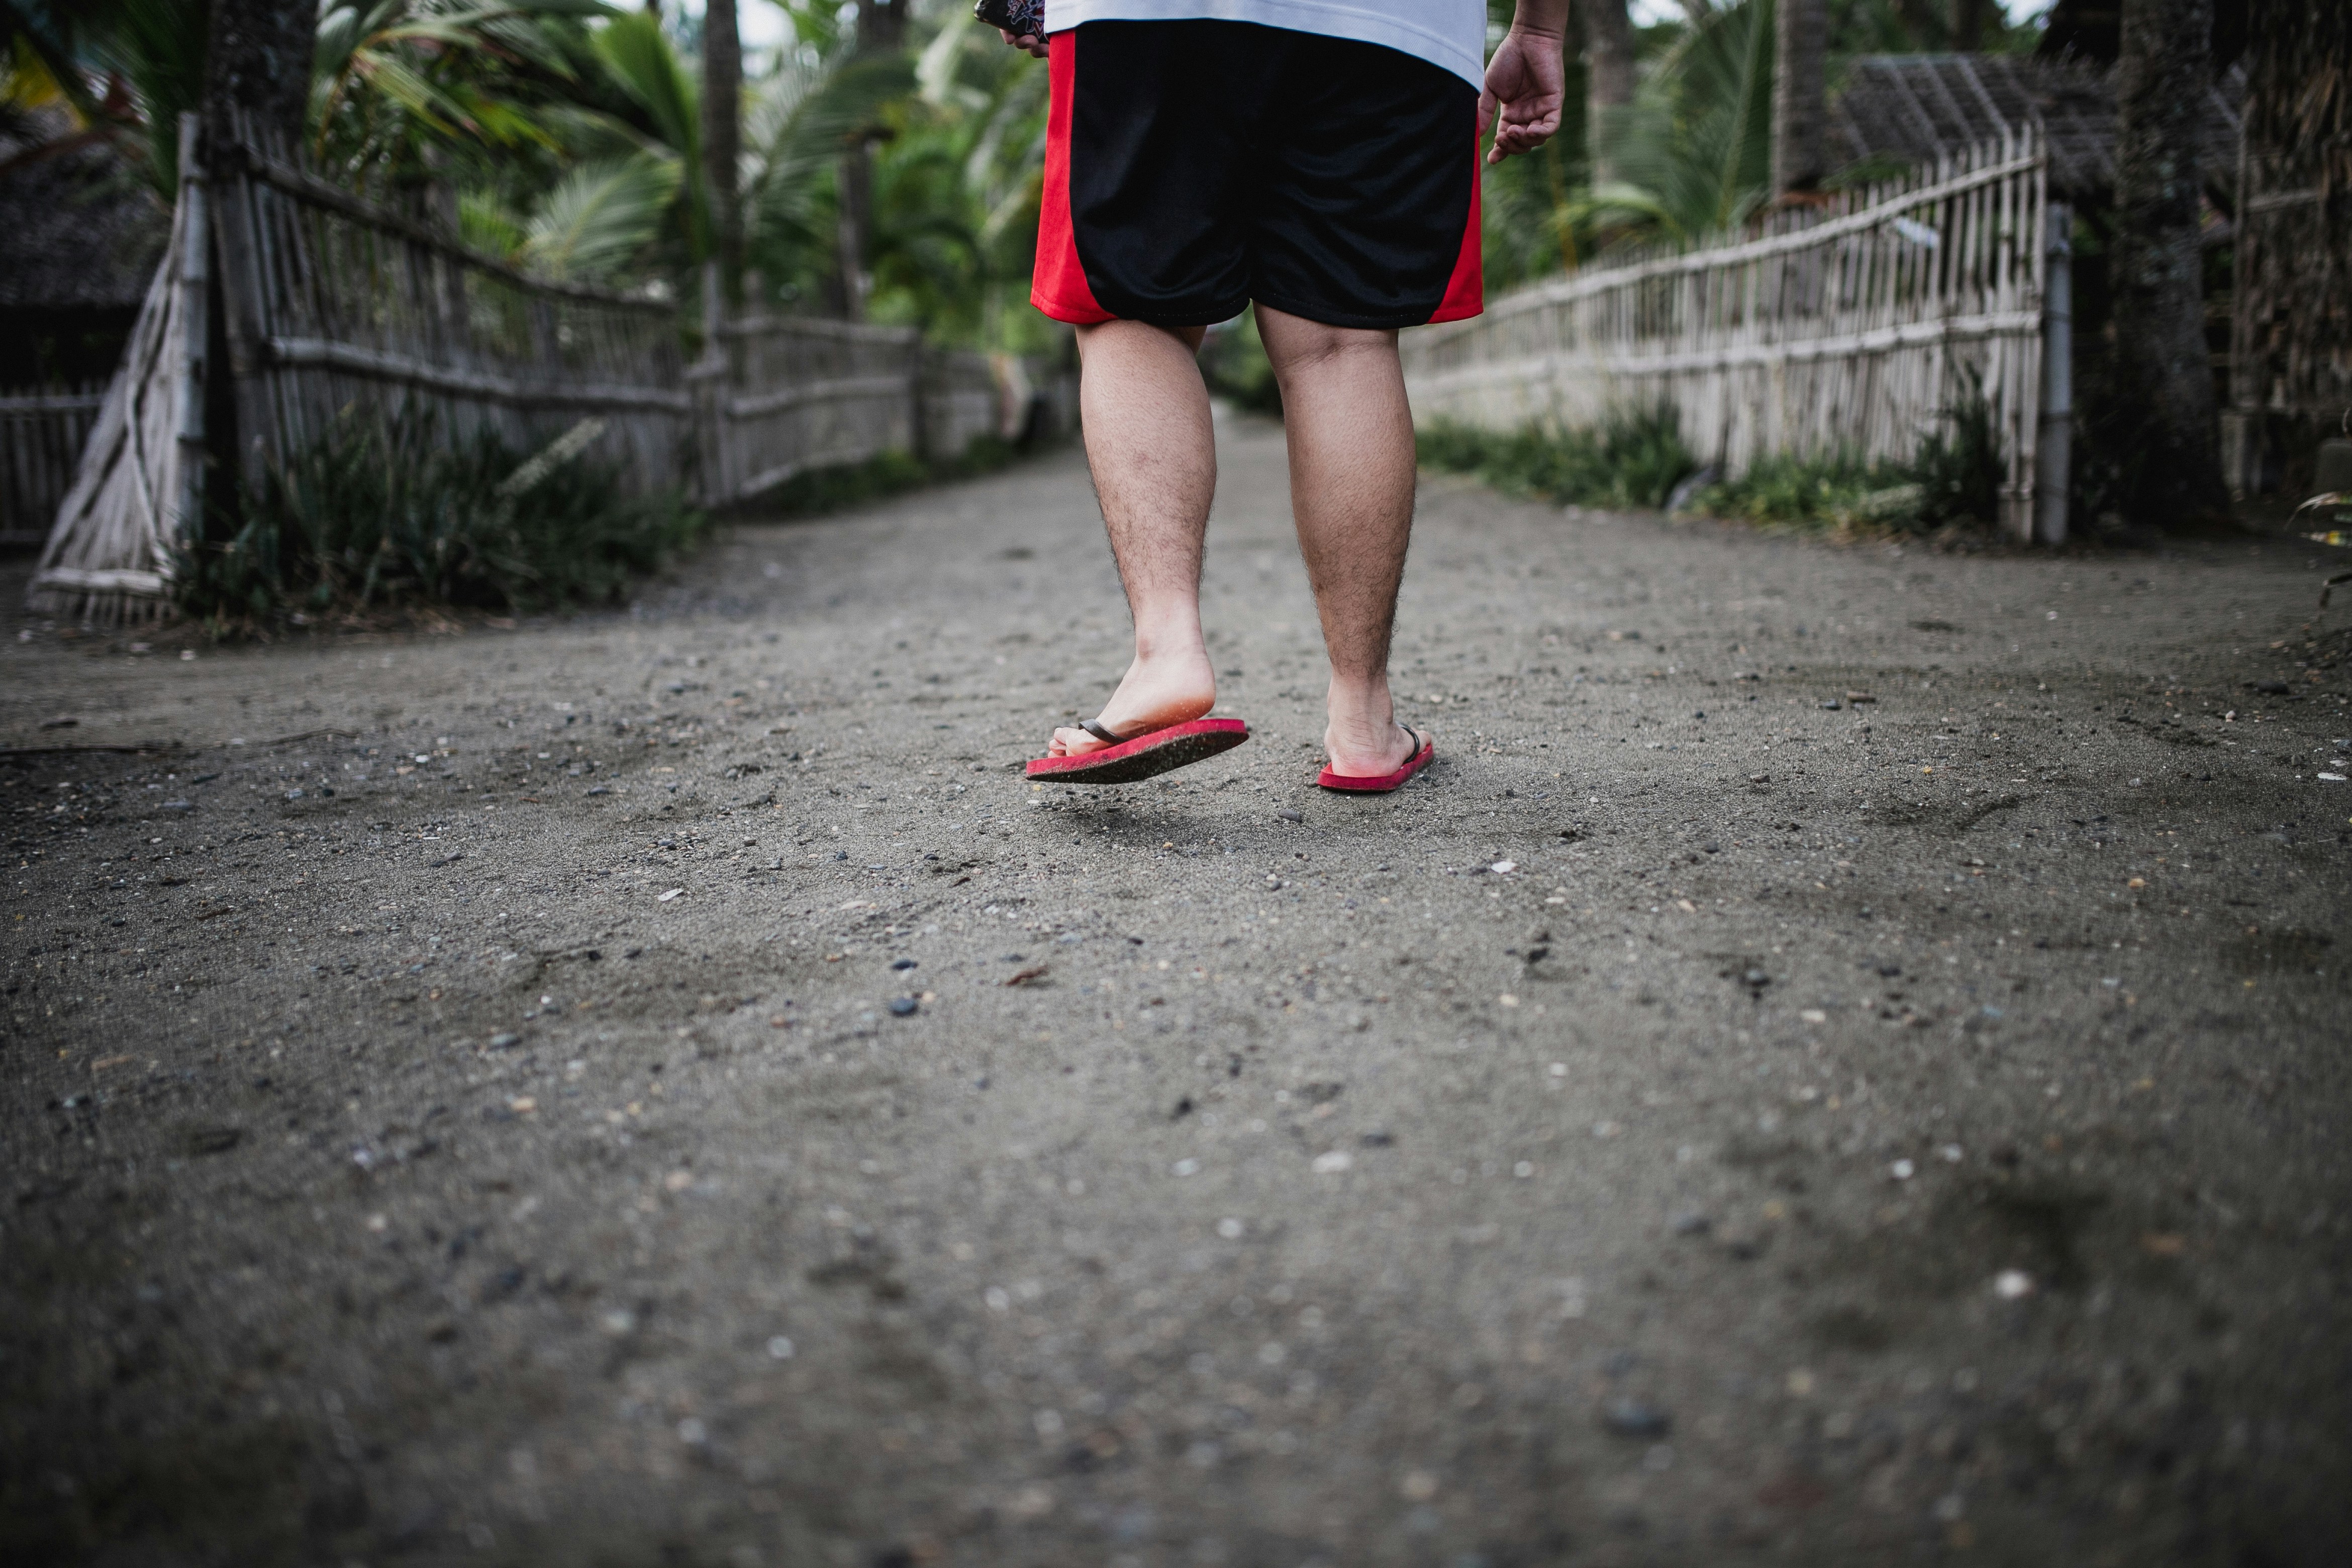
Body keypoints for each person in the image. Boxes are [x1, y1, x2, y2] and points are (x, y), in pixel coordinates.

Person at [1001, 0, 1569, 792]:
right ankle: (1364, 722)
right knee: (1343, 341)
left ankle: (1168, 655)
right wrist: (1539, 28)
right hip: (1396, 27)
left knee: (1135, 312)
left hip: (1152, 15)